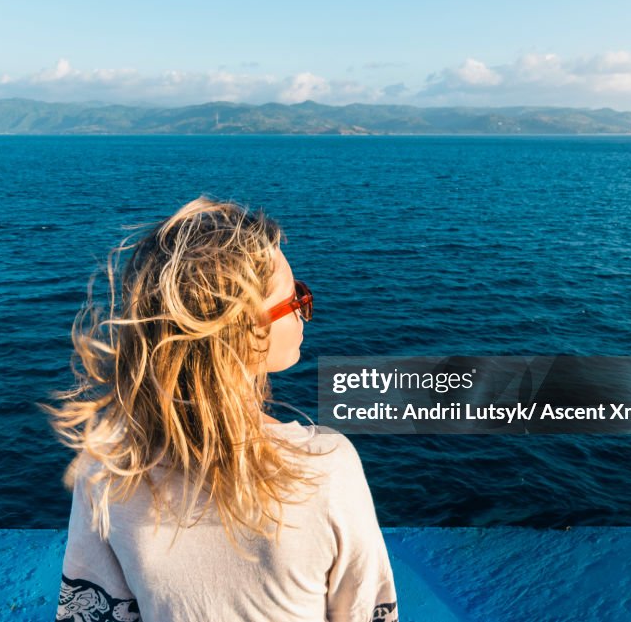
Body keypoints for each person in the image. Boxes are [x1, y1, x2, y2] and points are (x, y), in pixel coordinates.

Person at [43, 196, 398, 622]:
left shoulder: (107, 473)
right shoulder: (324, 467)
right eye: (296, 299)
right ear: (245, 332)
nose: (305, 312)